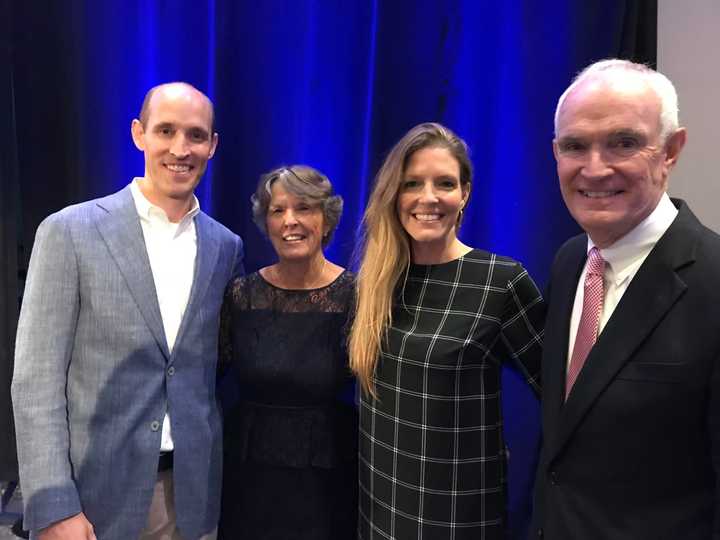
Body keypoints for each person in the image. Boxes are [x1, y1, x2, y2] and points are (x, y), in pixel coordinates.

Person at [12, 82, 244, 540]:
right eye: (166, 131)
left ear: (213, 145)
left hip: (192, 495)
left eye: (196, 135)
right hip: (93, 497)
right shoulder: (69, 231)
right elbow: (35, 380)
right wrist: (53, 503)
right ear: (139, 134)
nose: (181, 148)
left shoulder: (226, 246)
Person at [531, 59, 720, 539]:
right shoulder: (570, 262)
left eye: (624, 143)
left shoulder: (714, 281)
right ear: (556, 153)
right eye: (575, 146)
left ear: (672, 151)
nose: (595, 168)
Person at [350, 123, 545, 539]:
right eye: (412, 184)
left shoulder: (499, 281)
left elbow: (563, 394)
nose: (428, 198)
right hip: (379, 510)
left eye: (444, 183)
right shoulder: (376, 281)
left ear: (465, 194)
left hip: (459, 518)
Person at [217, 165, 357, 539]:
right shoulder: (240, 295)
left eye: (304, 208)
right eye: (278, 210)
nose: (290, 221)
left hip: (328, 478)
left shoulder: (356, 296)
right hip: (249, 473)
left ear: (326, 221)